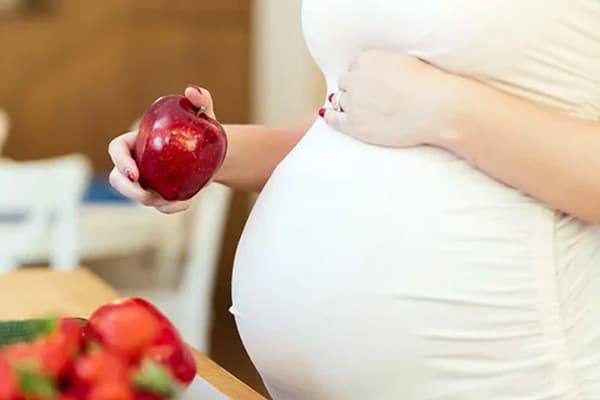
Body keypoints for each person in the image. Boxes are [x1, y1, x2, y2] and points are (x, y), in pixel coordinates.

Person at [108, 1, 600, 398]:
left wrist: (445, 109)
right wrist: (210, 152)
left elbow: (415, 105)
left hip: (512, 376)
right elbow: (350, 119)